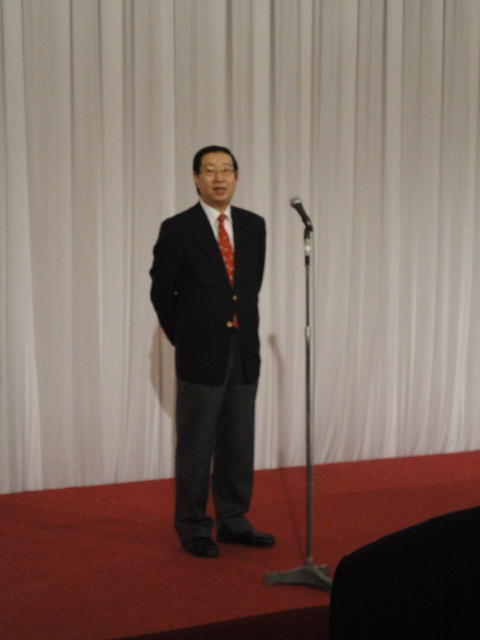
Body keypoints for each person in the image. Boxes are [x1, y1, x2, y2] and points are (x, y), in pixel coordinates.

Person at [150, 145, 275, 558]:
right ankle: (193, 525)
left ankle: (234, 520)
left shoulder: (254, 226)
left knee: (238, 442)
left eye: (226, 169)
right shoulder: (178, 229)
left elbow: (248, 289)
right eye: (209, 170)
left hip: (244, 350)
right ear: (195, 178)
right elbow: (162, 293)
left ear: (236, 176)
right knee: (196, 445)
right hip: (200, 353)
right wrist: (186, 337)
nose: (218, 177)